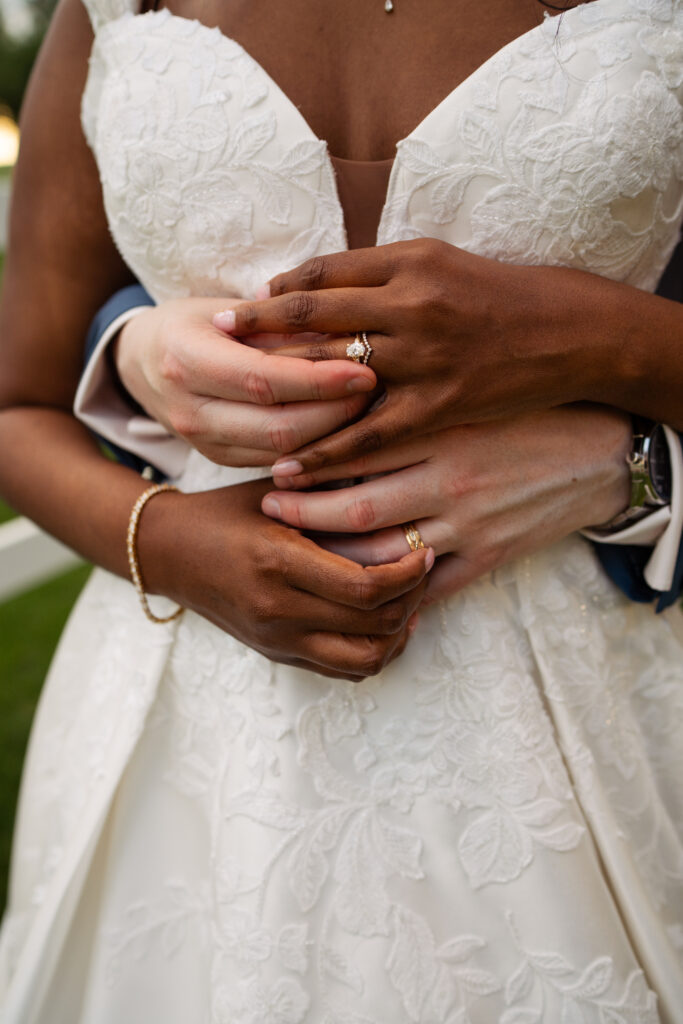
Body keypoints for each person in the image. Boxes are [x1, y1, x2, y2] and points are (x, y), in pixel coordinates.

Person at [0, 0, 682, 1021]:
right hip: (189, 731)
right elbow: (19, 404)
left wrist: (595, 352)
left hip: (585, 713)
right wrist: (171, 543)